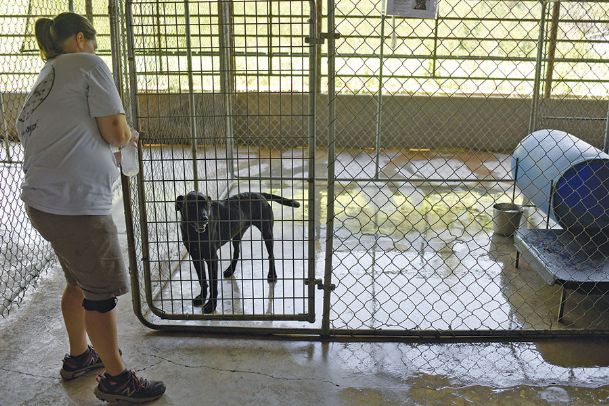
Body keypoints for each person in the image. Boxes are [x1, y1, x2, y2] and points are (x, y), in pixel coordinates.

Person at [16, 12, 165, 403]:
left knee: (78, 283)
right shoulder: (87, 63)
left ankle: (80, 356)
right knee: (99, 293)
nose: (97, 49)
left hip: (47, 201)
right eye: (95, 41)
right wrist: (130, 133)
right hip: (76, 205)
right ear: (81, 38)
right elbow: (113, 130)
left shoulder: (47, 76)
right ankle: (116, 379)